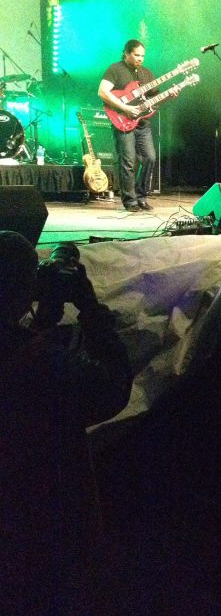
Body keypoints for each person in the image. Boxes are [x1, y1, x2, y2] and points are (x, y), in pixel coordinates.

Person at [0, 235, 132, 614]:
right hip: (40, 531)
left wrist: (40, 321)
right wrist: (89, 306)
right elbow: (112, 388)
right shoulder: (43, 365)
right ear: (28, 287)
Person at [96, 39, 168, 211]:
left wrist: (169, 95)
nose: (140, 59)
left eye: (142, 55)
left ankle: (141, 195)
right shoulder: (115, 69)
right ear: (126, 53)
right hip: (122, 120)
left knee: (150, 157)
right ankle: (130, 200)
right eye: (136, 55)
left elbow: (153, 100)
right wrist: (125, 108)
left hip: (142, 123)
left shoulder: (146, 74)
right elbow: (102, 92)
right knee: (128, 160)